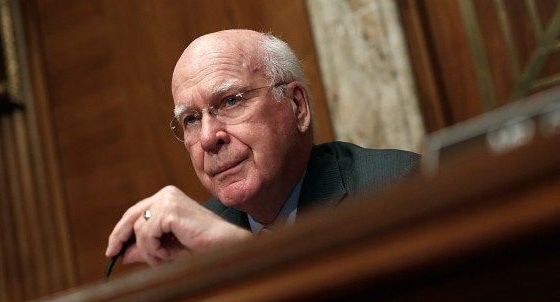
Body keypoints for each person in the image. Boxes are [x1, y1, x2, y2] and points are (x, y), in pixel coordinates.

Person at [105, 29, 419, 267]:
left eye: (230, 101)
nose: (207, 137)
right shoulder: (189, 241)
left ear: (297, 106)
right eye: (190, 119)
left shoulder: (400, 189)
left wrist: (239, 253)